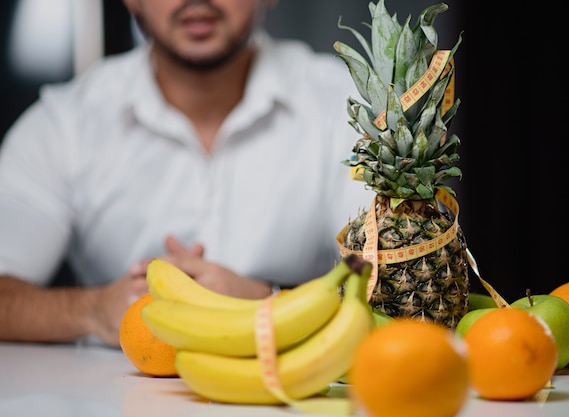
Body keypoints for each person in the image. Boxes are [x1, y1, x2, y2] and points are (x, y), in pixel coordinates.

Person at [0, 0, 373, 347]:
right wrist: (92, 310)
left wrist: (270, 301)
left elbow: (400, 288)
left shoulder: (350, 107)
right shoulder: (65, 122)